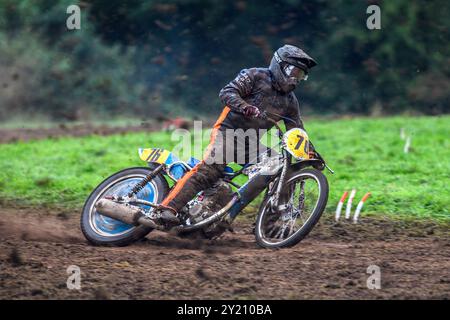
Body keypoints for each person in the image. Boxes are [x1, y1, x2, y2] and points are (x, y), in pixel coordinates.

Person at [156, 44, 317, 228]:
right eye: (294, 72)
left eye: (301, 75)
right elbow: (226, 92)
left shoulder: (290, 101)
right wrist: (245, 107)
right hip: (227, 132)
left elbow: (297, 131)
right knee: (209, 170)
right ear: (280, 65)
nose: (295, 79)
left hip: (251, 144)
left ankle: (271, 226)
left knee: (282, 168)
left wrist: (310, 153)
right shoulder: (255, 75)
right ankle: (167, 208)